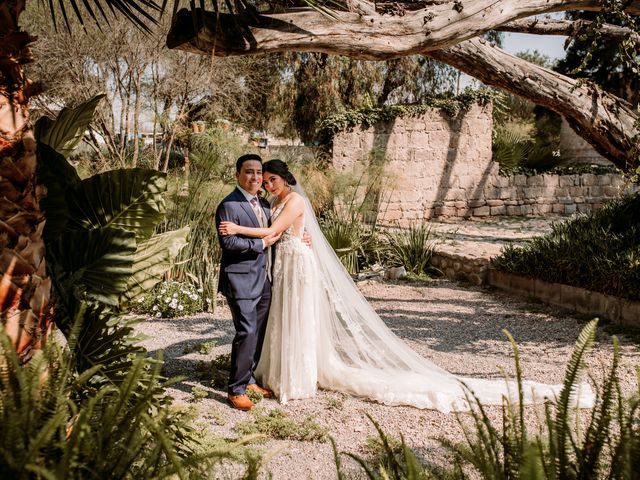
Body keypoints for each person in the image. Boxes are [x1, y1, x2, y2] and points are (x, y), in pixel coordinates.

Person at [219, 160, 595, 412]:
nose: (265, 183)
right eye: (262, 179)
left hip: (294, 269)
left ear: (284, 179)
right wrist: (301, 240)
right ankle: (266, 373)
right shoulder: (272, 201)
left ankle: (293, 378)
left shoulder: (294, 199)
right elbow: (290, 232)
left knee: (295, 318)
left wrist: (240, 230)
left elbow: (271, 232)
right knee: (284, 319)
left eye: (270, 179)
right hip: (285, 267)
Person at [215, 154, 281, 411]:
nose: (255, 177)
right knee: (247, 332)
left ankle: (250, 379)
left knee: (259, 332)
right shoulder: (229, 205)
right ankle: (236, 389)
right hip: (240, 280)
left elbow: (278, 230)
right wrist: (261, 244)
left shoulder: (264, 204)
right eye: (249, 172)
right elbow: (229, 243)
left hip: (264, 279)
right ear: (237, 175)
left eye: (258, 172)